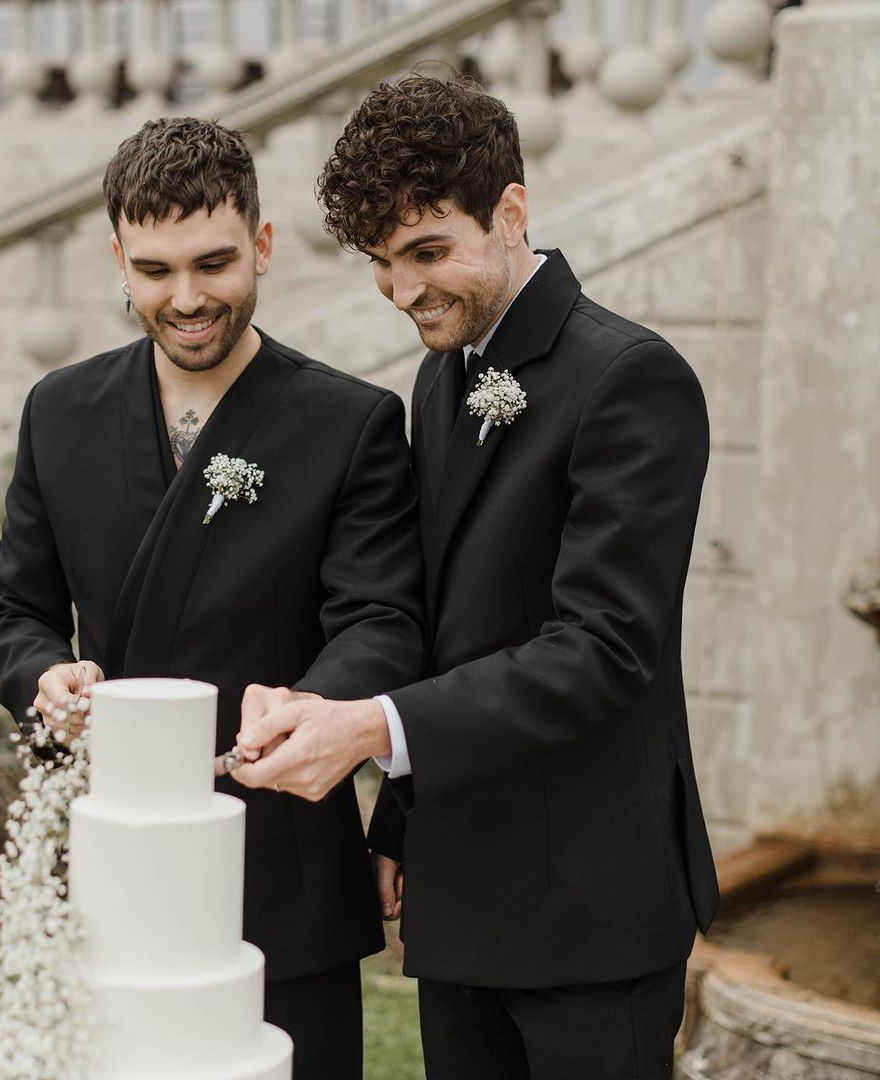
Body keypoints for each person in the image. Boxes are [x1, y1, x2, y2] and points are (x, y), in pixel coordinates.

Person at [232, 74, 721, 1080]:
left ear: (512, 212)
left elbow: (603, 646)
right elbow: (453, 619)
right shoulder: (438, 377)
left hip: (591, 911)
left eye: (427, 252)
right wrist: (399, 819)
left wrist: (373, 731)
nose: (406, 292)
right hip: (462, 903)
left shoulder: (632, 378)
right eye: (381, 263)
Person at [0, 116, 424, 1080]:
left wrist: (312, 704)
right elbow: (15, 609)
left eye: (214, 263)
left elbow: (382, 621)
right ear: (119, 262)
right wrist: (43, 676)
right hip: (112, 862)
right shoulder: (58, 411)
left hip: (283, 867)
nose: (186, 298)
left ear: (262, 247)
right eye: (155, 269)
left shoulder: (353, 424)